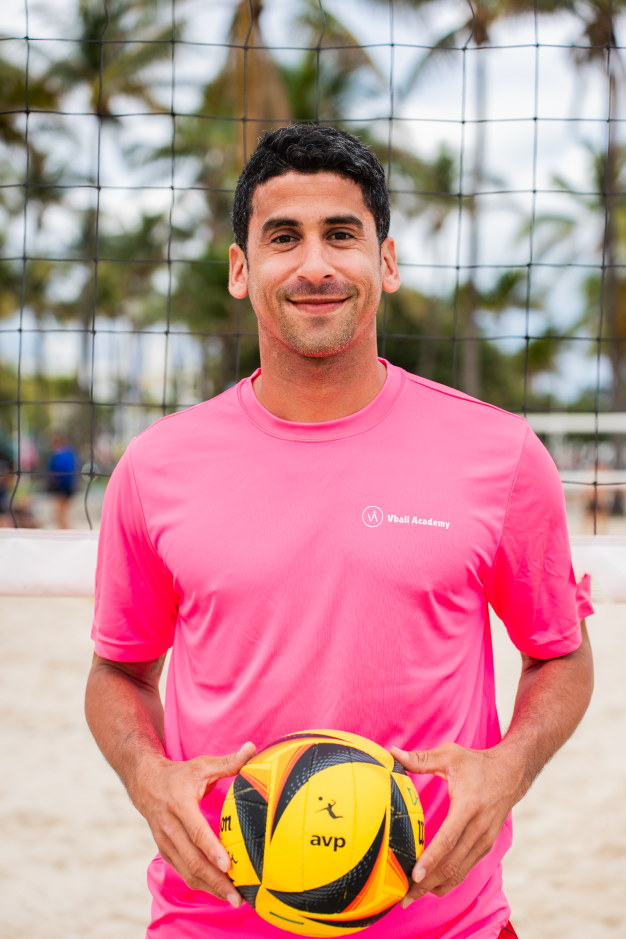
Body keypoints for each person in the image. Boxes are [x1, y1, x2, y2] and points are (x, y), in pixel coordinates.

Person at [86, 125, 594, 939]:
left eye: (342, 234)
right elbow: (119, 673)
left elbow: (559, 654)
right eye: (283, 237)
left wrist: (509, 767)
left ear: (386, 264)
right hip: (216, 918)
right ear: (240, 269)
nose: (315, 265)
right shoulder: (156, 467)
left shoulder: (500, 454)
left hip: (443, 920)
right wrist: (149, 777)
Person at [47, 435, 78, 529]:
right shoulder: (70, 452)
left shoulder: (57, 454)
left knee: (59, 513)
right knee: (61, 513)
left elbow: (52, 470)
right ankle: (66, 530)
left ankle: (67, 531)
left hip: (61, 486)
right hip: (69, 485)